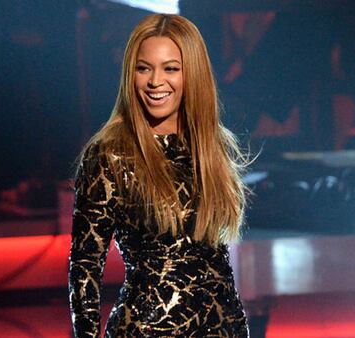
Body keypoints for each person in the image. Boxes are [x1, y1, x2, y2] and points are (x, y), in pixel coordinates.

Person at [69, 14, 249, 337]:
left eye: (170, 68)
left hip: (224, 328)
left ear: (191, 74)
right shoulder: (110, 155)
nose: (155, 81)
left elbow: (217, 263)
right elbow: (84, 270)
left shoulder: (212, 146)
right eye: (143, 68)